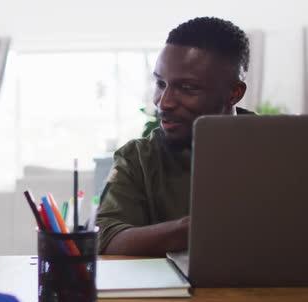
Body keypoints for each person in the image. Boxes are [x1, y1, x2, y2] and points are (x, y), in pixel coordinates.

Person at [96, 17, 253, 256]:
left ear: (234, 93)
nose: (163, 102)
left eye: (188, 88)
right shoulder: (137, 158)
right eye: (160, 83)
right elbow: (106, 238)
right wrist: (194, 228)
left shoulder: (284, 151)